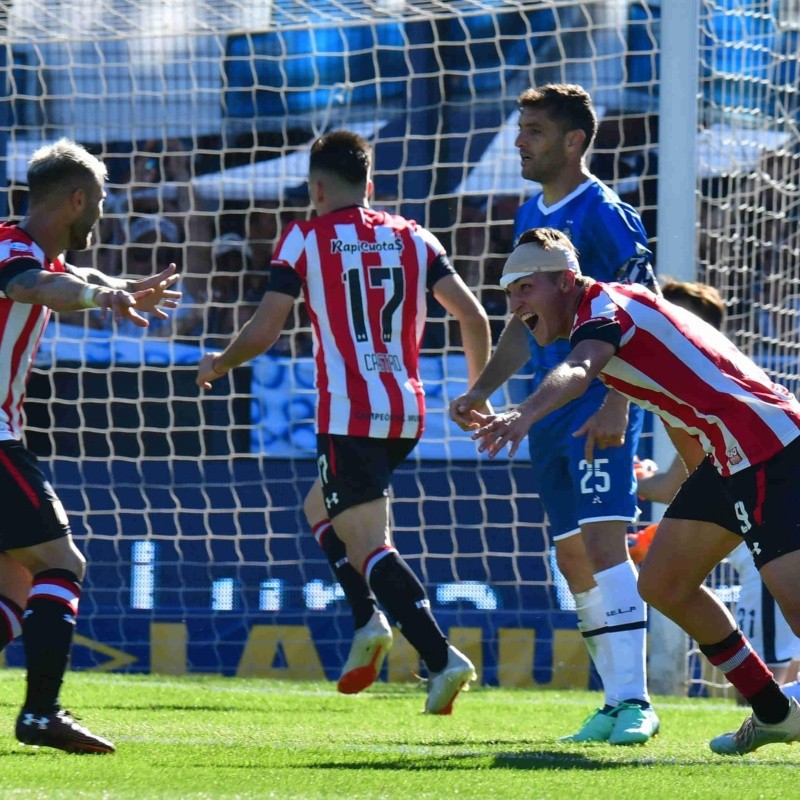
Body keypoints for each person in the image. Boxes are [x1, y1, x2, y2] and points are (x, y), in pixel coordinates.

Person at [467, 227, 800, 756]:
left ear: (566, 280)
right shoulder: (608, 313)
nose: (516, 305)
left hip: (770, 447)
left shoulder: (603, 309)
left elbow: (578, 369)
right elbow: (682, 417)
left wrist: (523, 414)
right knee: (663, 584)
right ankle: (774, 711)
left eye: (525, 288)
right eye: (509, 293)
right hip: (730, 458)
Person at [196, 129, 492, 713]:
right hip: (406, 412)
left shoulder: (305, 237)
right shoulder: (414, 236)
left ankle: (439, 658)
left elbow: (265, 330)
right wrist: (477, 391)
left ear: (316, 188)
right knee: (318, 509)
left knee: (368, 546)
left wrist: (221, 360)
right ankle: (367, 621)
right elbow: (475, 316)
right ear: (370, 185)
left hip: (349, 414)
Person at [455, 83, 659, 744]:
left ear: (575, 142)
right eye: (522, 129)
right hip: (547, 409)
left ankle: (636, 701)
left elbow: (645, 314)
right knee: (573, 557)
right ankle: (612, 702)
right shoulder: (527, 215)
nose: (520, 141)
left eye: (535, 130)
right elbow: (523, 319)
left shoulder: (605, 214)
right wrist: (483, 388)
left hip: (599, 401)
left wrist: (622, 401)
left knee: (604, 542)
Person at [0, 138, 181, 753]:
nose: (104, 213)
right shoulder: (12, 250)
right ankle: (41, 714)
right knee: (62, 563)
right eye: (100, 200)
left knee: (13, 590)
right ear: (77, 199)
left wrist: (119, 287)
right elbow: (32, 287)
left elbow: (73, 277)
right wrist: (100, 297)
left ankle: (41, 712)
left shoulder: (35, 251)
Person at [634, 279, 800, 702]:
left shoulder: (724, 395)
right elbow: (694, 483)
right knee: (663, 585)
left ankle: (773, 711)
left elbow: (683, 481)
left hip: (765, 540)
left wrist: (633, 485)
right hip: (752, 541)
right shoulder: (691, 394)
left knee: (781, 657)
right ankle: (774, 713)